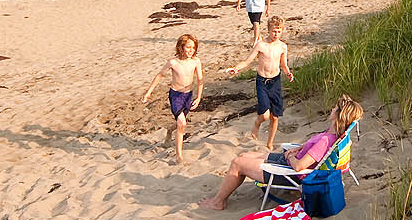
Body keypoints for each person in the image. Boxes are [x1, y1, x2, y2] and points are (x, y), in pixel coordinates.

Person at [200, 95, 363, 210]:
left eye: (335, 108)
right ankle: (222, 195)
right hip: (289, 161)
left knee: (237, 163)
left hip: (290, 172)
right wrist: (299, 148)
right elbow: (313, 149)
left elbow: (299, 167)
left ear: (338, 115)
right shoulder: (331, 133)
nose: (332, 108)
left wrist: (291, 156)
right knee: (245, 155)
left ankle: (218, 202)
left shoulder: (325, 141)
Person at [221, 16, 291, 148]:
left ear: (282, 31)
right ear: (268, 31)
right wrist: (236, 68)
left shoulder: (282, 46)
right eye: (274, 31)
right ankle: (256, 124)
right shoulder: (261, 45)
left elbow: (284, 65)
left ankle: (269, 143)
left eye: (279, 31)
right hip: (262, 81)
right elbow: (247, 61)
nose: (276, 34)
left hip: (275, 81)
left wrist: (288, 73)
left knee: (275, 117)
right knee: (264, 115)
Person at [140, 34, 203, 164]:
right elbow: (159, 75)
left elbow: (200, 80)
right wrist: (148, 93)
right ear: (181, 47)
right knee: (182, 123)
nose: (191, 50)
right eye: (188, 47)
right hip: (176, 96)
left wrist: (199, 97)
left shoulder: (196, 61)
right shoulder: (173, 62)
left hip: (188, 95)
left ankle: (169, 130)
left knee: (180, 122)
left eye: (193, 47)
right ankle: (179, 156)